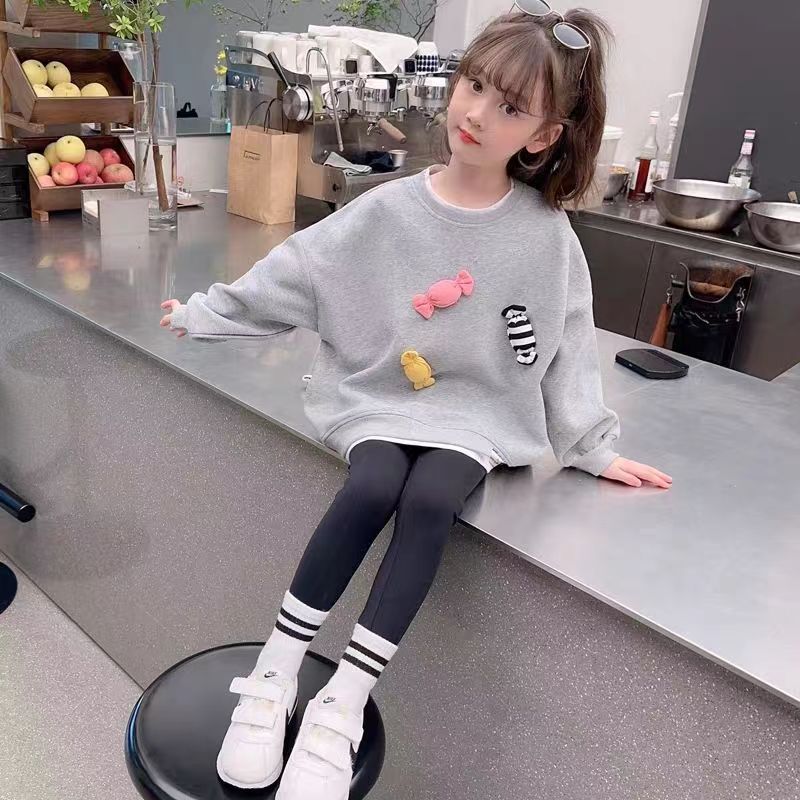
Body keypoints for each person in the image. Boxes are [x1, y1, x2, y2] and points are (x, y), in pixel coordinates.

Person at [160, 5, 672, 798]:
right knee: (372, 484)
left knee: (431, 498)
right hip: (378, 397)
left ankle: (343, 702)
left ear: (544, 135)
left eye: (511, 107)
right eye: (476, 85)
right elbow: (300, 271)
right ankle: (273, 674)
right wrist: (208, 313)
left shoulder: (547, 237)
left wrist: (592, 447)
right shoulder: (388, 207)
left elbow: (568, 342)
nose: (478, 113)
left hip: (477, 415)